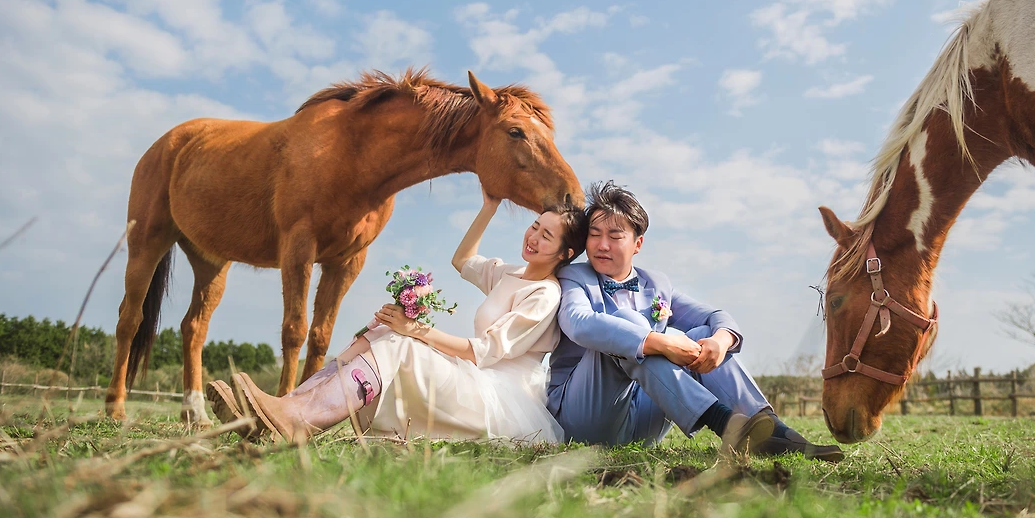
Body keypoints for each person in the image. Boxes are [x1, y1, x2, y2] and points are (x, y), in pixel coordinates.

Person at [208, 192, 587, 444]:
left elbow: (482, 352)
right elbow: (462, 260)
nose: (533, 237)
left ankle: (295, 421)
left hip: (499, 398)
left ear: (565, 252)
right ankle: (285, 407)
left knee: (397, 340)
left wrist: (415, 329)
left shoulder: (544, 294)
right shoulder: (509, 273)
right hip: (478, 378)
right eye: (535, 225)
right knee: (378, 332)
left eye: (547, 236)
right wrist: (490, 205)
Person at [548, 180, 843, 460]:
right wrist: (657, 341)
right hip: (586, 418)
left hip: (642, 424)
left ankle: (774, 433)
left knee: (703, 332)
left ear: (637, 244)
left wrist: (720, 340)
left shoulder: (656, 284)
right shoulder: (574, 276)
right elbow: (580, 322)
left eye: (614, 236)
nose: (602, 245)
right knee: (629, 323)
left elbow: (714, 317)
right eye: (595, 234)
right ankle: (724, 423)